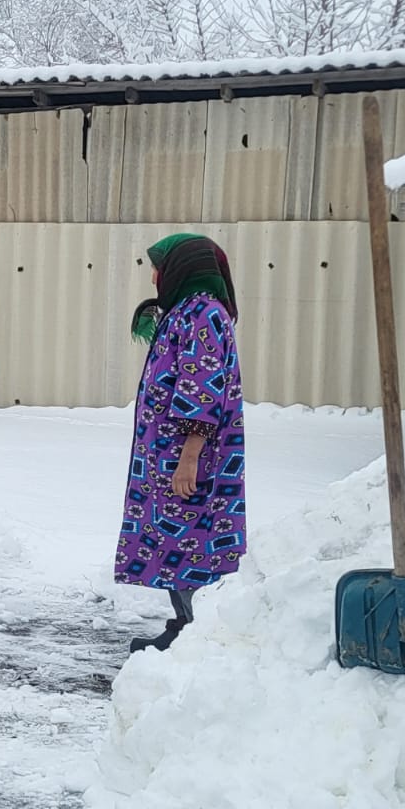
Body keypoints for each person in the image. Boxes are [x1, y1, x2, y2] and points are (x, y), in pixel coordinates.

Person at [117, 233, 246, 651]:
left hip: (189, 457)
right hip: (167, 455)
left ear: (183, 269)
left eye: (160, 266)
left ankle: (197, 636)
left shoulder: (204, 314)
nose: (154, 275)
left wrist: (189, 458)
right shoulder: (186, 311)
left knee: (191, 543)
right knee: (175, 541)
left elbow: (201, 390)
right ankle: (185, 627)